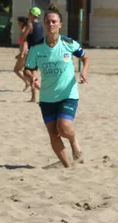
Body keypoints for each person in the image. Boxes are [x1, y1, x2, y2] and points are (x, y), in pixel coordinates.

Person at [24, 4, 90, 168]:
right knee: (53, 133)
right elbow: (27, 69)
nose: (51, 24)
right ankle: (67, 166)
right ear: (44, 24)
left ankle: (74, 141)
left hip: (68, 94)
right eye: (48, 21)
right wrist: (32, 76)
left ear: (60, 24)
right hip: (47, 97)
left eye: (54, 21)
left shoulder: (69, 43)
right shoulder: (37, 48)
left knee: (64, 126)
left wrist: (84, 72)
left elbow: (85, 58)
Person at [19, 7, 44, 102]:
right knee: (33, 72)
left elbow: (22, 38)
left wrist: (23, 31)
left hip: (33, 51)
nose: (28, 14)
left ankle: (43, 92)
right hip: (40, 51)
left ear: (32, 15)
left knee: (27, 73)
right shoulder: (40, 26)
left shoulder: (30, 24)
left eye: (29, 13)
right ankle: (33, 98)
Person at [13, 16, 30, 91]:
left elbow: (25, 43)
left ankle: (29, 82)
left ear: (21, 23)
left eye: (18, 22)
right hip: (26, 52)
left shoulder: (24, 31)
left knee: (17, 70)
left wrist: (22, 53)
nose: (18, 24)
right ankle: (28, 82)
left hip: (25, 52)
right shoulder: (26, 30)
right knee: (25, 70)